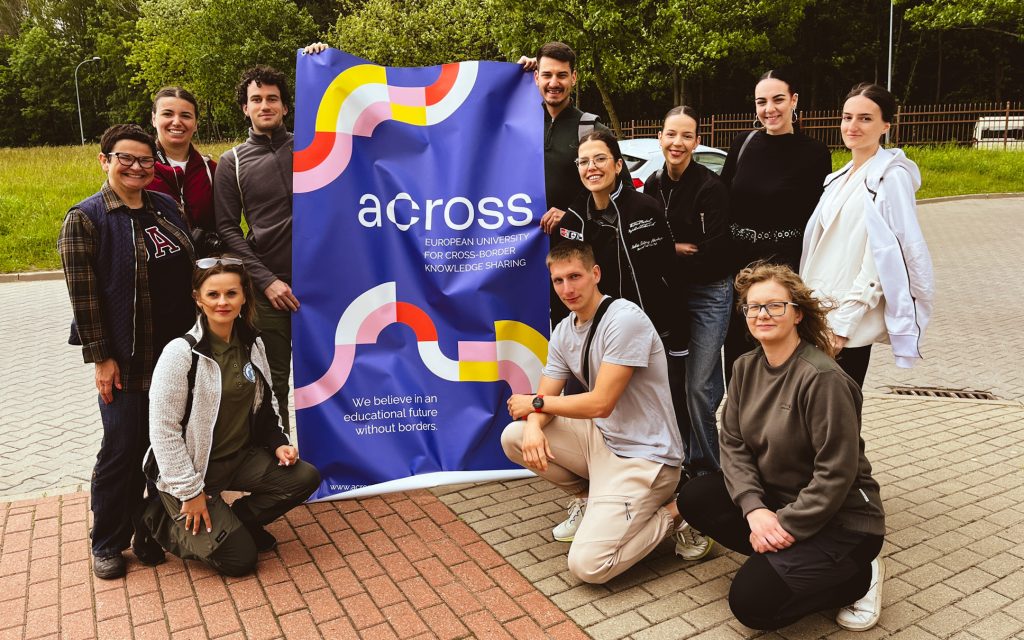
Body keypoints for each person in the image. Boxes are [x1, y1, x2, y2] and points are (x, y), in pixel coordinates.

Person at [677, 263, 887, 632]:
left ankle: (858, 579)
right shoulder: (745, 368)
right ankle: (783, 558)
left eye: (775, 305)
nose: (763, 314)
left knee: (752, 606)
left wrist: (785, 524)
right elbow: (734, 444)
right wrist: (755, 511)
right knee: (695, 496)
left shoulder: (823, 379)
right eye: (753, 307)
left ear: (797, 313)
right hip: (779, 500)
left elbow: (835, 474)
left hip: (844, 522)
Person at [501, 241, 704, 584]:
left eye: (575, 277)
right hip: (603, 442)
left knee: (588, 567)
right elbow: (546, 393)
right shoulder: (565, 330)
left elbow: (599, 402)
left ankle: (678, 512)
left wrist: (535, 405)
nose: (567, 289)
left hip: (645, 457)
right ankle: (589, 500)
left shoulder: (624, 320)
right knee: (516, 437)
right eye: (558, 281)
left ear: (595, 274)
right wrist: (534, 425)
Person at [552, 131, 706, 555]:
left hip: (654, 333)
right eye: (584, 162)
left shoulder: (644, 208)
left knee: (669, 413)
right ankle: (598, 497)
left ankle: (686, 500)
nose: (592, 168)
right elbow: (572, 273)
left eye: (600, 159)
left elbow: (664, 276)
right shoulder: (575, 220)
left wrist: (667, 334)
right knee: (604, 411)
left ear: (618, 165)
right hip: (604, 336)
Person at [58, 124, 196, 579]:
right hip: (127, 359)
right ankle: (108, 541)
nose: (136, 167)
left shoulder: (164, 206)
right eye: (126, 158)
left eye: (144, 160)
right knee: (122, 449)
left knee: (165, 446)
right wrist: (101, 357)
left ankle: (148, 528)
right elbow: (85, 297)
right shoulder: (86, 218)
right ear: (105, 160)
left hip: (174, 354)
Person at [144, 256, 321, 576]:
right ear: (198, 298)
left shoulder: (253, 343)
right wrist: (190, 492)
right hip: (190, 472)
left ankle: (237, 521)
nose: (223, 302)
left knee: (304, 478)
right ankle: (154, 520)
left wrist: (279, 443)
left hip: (237, 460)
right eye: (213, 294)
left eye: (231, 293)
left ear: (244, 297)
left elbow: (265, 405)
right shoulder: (180, 354)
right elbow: (163, 431)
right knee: (240, 560)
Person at [800, 83, 934, 386]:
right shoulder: (837, 178)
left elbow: (884, 257)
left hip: (845, 323)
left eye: (865, 118)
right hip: (817, 313)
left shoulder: (891, 178)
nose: (853, 126)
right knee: (813, 417)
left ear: (886, 125)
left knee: (838, 418)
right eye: (848, 117)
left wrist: (843, 325)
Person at [721, 70, 832, 384]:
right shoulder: (743, 143)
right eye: (762, 101)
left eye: (778, 99)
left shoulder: (815, 153)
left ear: (794, 100)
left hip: (785, 269)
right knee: (739, 360)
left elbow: (818, 217)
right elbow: (722, 199)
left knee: (782, 357)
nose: (769, 108)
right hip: (740, 271)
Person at [643, 106, 732, 478]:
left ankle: (709, 472)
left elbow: (714, 255)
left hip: (710, 294)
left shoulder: (711, 188)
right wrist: (675, 248)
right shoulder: (652, 184)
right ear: (660, 138)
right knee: (675, 382)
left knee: (699, 386)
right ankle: (683, 459)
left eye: (685, 136)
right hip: (670, 298)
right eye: (670, 134)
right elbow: (646, 242)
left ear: (696, 142)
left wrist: (667, 252)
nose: (677, 143)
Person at [519, 41, 633, 326]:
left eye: (561, 75)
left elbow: (623, 191)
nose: (553, 83)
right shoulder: (518, 123)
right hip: (521, 258)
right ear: (536, 78)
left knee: (577, 337)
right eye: (546, 75)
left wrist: (571, 213)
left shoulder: (592, 130)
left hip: (576, 262)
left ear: (574, 77)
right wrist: (512, 76)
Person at [215, 65, 298, 432]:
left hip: (328, 286)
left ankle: (338, 458)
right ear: (245, 109)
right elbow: (227, 229)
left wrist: (322, 60)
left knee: (338, 375)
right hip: (270, 291)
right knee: (273, 381)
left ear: (284, 107)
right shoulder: (231, 163)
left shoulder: (313, 147)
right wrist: (265, 281)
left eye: (272, 99)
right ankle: (283, 456)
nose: (265, 105)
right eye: (256, 99)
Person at [148, 86, 220, 257]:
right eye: (167, 114)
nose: (176, 122)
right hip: (155, 273)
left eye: (186, 116)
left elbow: (226, 226)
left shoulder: (212, 170)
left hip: (205, 273)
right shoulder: (139, 169)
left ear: (195, 124)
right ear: (153, 119)